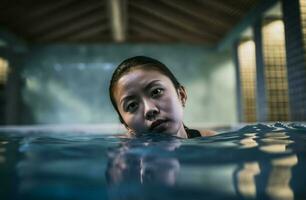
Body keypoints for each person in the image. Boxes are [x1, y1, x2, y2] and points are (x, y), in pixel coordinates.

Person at [109, 56, 215, 138]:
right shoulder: (121, 157)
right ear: (127, 126)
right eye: (132, 105)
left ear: (181, 96)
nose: (149, 110)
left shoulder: (212, 143)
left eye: (156, 91)